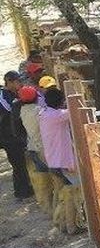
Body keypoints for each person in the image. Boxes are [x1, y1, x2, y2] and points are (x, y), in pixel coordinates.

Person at [37, 87, 82, 234]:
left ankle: (60, 224)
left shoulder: (43, 114)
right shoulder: (57, 116)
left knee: (60, 193)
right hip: (61, 161)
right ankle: (70, 227)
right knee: (70, 195)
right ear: (60, 102)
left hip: (52, 160)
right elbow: (76, 110)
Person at [17, 84, 56, 219]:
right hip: (44, 149)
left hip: (32, 147)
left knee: (43, 180)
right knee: (55, 179)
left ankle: (47, 208)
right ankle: (57, 210)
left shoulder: (23, 111)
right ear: (36, 98)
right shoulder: (40, 112)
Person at [0, 71, 34, 202]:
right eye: (17, 81)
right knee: (17, 164)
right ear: (9, 82)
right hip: (7, 136)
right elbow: (10, 109)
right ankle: (21, 192)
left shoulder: (14, 94)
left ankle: (25, 189)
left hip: (15, 135)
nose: (19, 83)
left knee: (20, 162)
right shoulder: (4, 96)